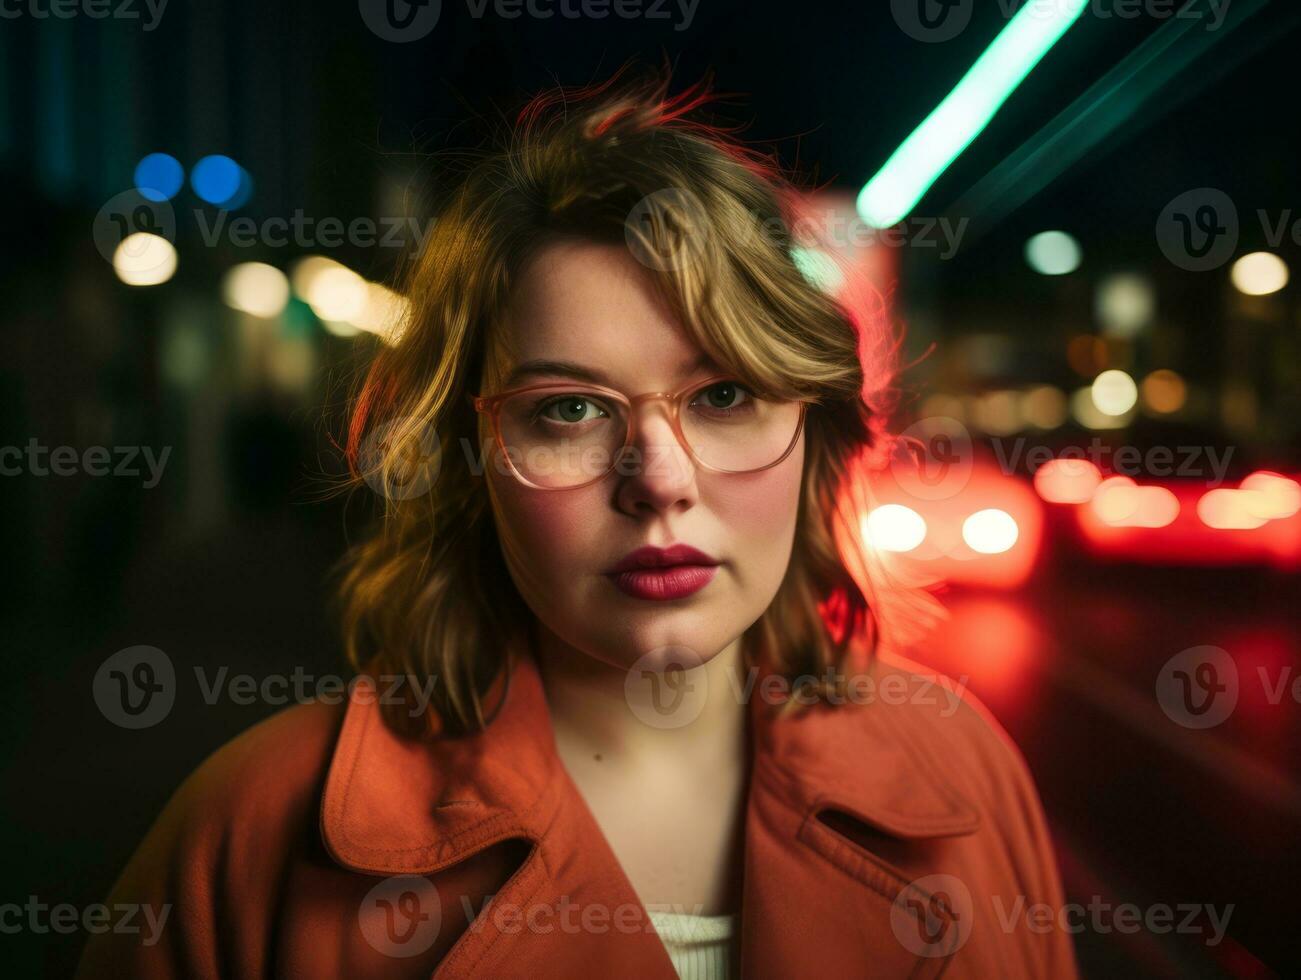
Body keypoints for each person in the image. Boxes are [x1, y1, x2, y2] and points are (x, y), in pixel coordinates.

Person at [77, 69, 1078, 979]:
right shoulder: (249, 837)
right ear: (467, 464)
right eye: (568, 408)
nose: (658, 481)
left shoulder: (964, 774)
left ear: (813, 435)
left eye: (724, 395)